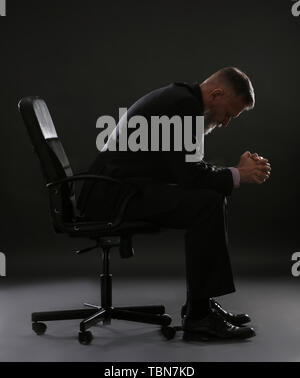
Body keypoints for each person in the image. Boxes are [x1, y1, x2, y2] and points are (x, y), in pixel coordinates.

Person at [78, 67, 271, 341]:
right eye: (229, 114)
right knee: (206, 204)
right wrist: (238, 173)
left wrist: (232, 173)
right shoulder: (183, 105)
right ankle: (199, 317)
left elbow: (182, 168)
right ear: (216, 94)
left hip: (120, 191)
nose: (226, 122)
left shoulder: (181, 99)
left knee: (209, 200)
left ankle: (200, 307)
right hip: (113, 198)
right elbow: (189, 176)